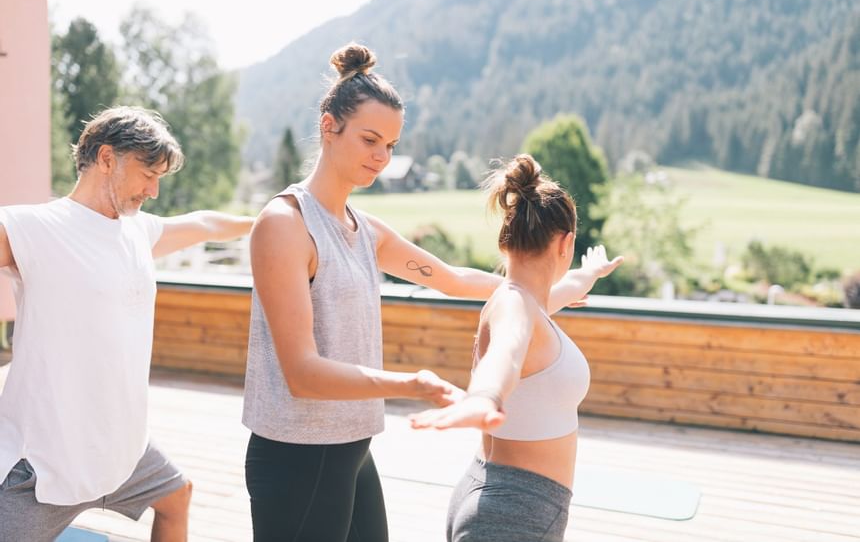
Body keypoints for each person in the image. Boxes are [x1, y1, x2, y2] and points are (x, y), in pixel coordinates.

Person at [242, 44, 606, 542]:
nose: (381, 157)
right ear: (329, 126)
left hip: (351, 446)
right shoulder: (285, 225)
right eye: (371, 139)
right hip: (297, 455)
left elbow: (461, 281)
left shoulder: (364, 228)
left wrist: (562, 286)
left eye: (390, 145)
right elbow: (302, 374)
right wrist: (413, 383)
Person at [0, 106, 255, 542]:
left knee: (177, 497)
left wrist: (278, 221)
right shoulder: (34, 226)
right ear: (105, 158)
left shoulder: (140, 231)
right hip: (44, 460)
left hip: (123, 447)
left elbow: (205, 223)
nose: (153, 190)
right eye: (147, 174)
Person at [409, 154, 623, 542]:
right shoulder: (514, 305)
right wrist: (485, 396)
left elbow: (566, 289)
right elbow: (505, 352)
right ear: (565, 242)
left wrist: (590, 273)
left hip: (502, 501)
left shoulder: (525, 301)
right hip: (512, 514)